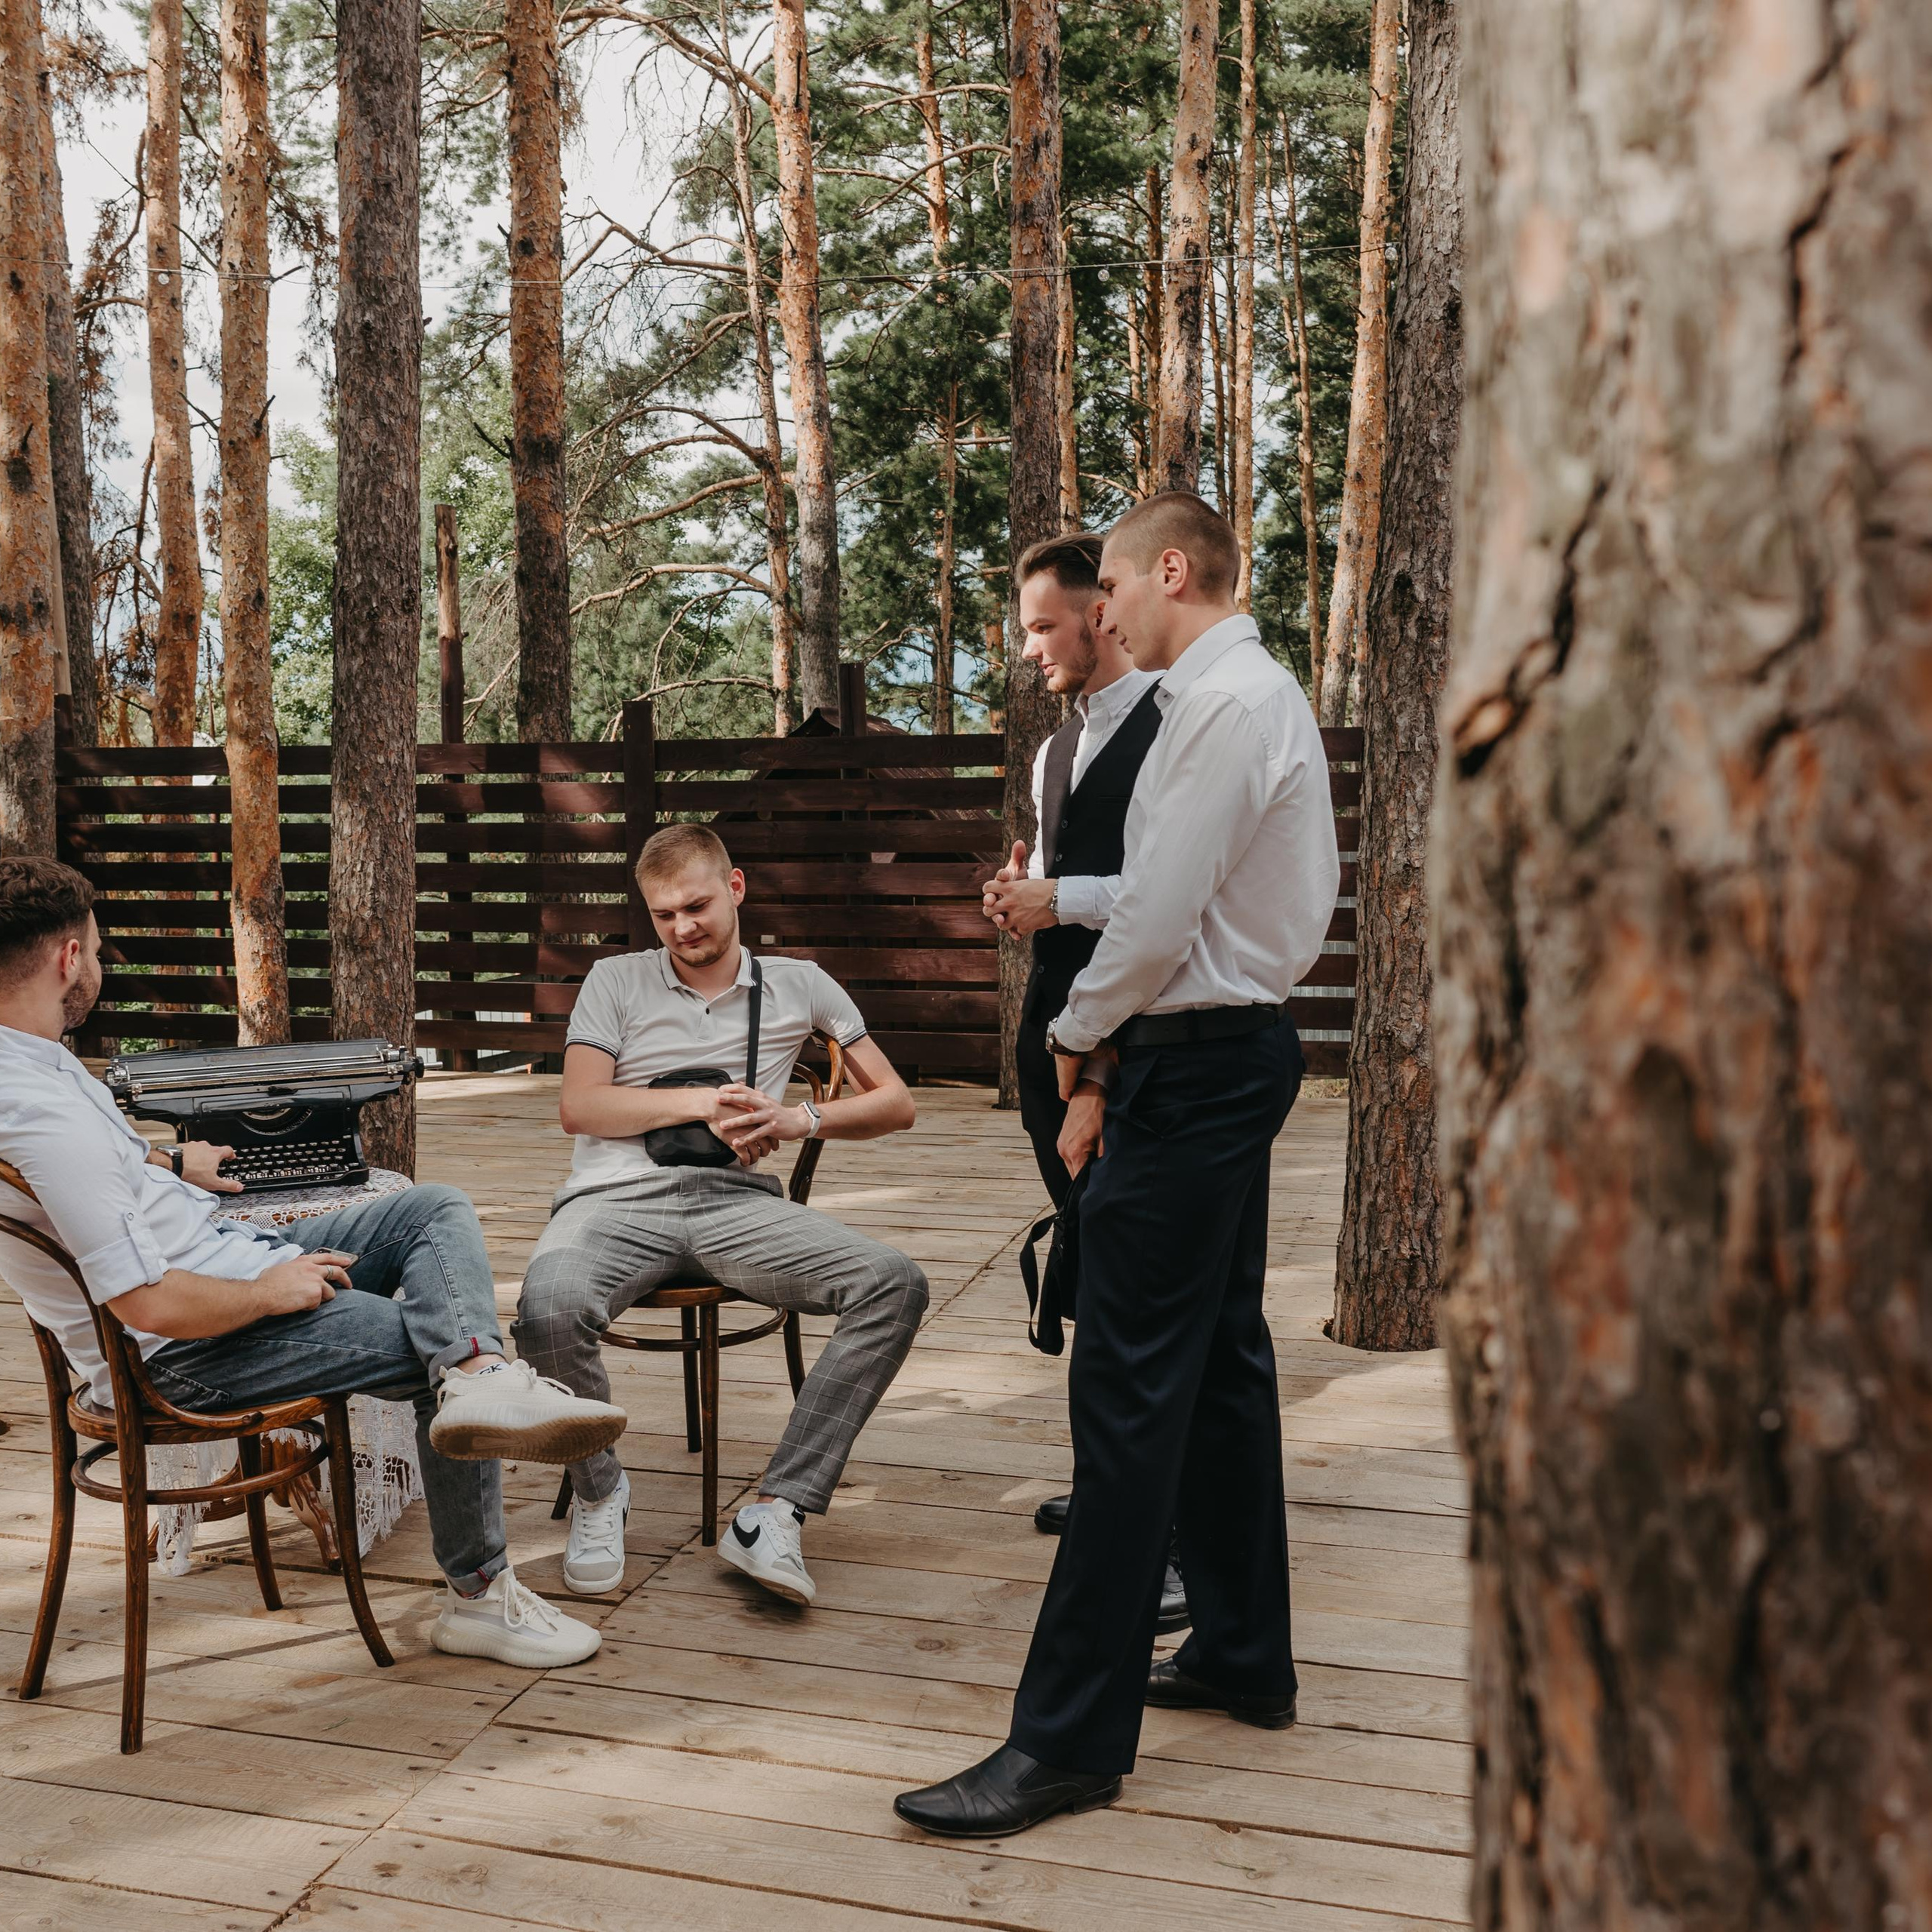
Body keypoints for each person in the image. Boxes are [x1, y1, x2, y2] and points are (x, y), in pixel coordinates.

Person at [897, 491, 1339, 1837]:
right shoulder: (1241, 698)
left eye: (1116, 590)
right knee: (1220, 1364)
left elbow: (1152, 920)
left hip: (1193, 1071)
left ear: (1170, 572)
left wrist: (1077, 1048)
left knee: (1128, 1394)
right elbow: (1164, 902)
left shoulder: (1222, 706)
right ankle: (1242, 1653)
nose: (1105, 613)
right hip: (1216, 1058)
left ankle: (1068, 1740)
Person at [0, 857, 628, 1670]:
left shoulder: (34, 1062)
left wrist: (168, 1161)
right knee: (430, 1346)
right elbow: (147, 1304)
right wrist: (268, 1293)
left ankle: (482, 1376)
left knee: (431, 1209)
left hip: (226, 1265)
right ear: (65, 959)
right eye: (95, 948)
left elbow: (87, 1175)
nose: (99, 960)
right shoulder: (42, 1113)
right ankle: (478, 1594)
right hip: (181, 1349)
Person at [514, 823, 928, 1607]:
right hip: (612, 1201)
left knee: (893, 1282)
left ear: (735, 888)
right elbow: (580, 1106)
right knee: (547, 1310)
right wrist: (703, 1102)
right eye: (664, 914)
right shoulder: (614, 978)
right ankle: (601, 1493)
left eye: (697, 906)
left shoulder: (803, 984)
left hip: (734, 1204)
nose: (682, 928)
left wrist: (797, 1119)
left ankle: (775, 1510)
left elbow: (896, 1103)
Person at [977, 531, 1188, 1635]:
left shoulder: (1175, 730)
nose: (1031, 651)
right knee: (1092, 1266)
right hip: (1050, 1036)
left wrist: (1057, 900)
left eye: (1042, 627)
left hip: (1129, 1046)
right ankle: (1114, 1489)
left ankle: (1170, 1537)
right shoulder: (1054, 754)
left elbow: (1159, 899)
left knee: (1139, 1295)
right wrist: (1022, 893)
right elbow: (1067, 884)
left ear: (1099, 615)